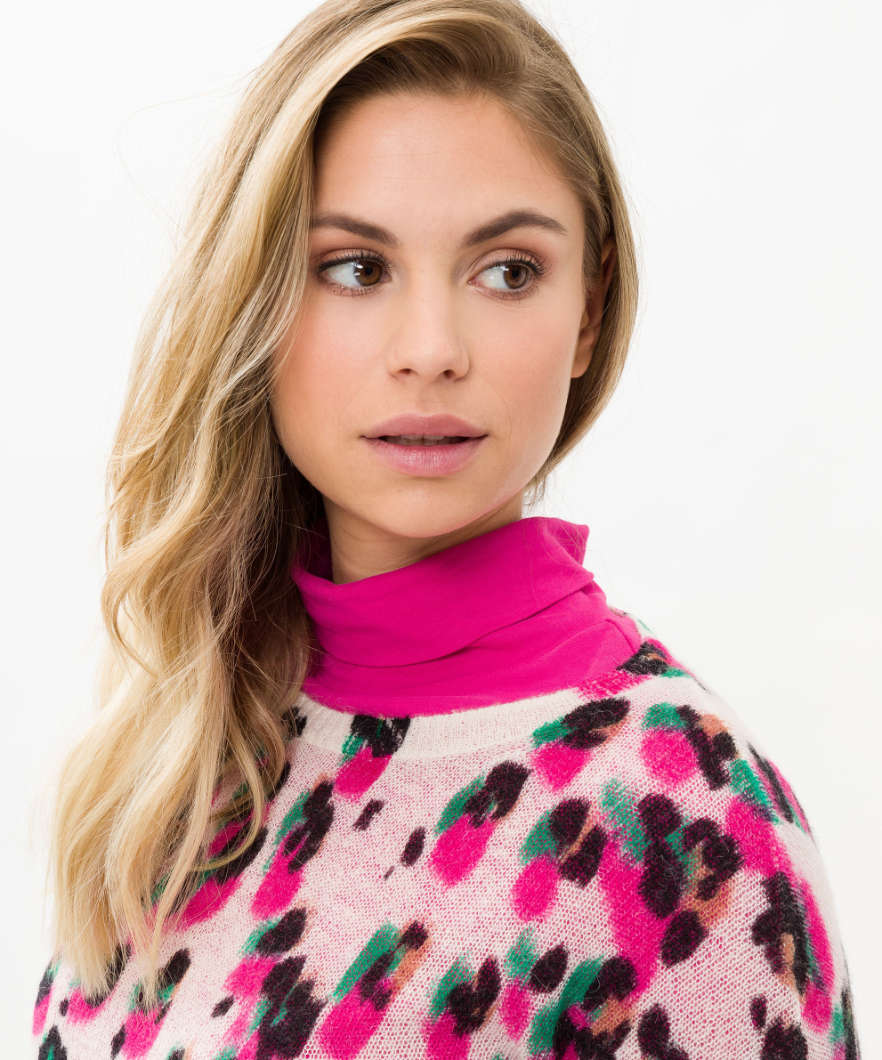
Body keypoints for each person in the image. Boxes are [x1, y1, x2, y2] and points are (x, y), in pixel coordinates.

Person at [32, 0, 861, 1056]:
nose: (430, 348)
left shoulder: (683, 814)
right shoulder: (192, 749)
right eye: (355, 267)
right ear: (255, 298)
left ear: (588, 310)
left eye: (507, 271)